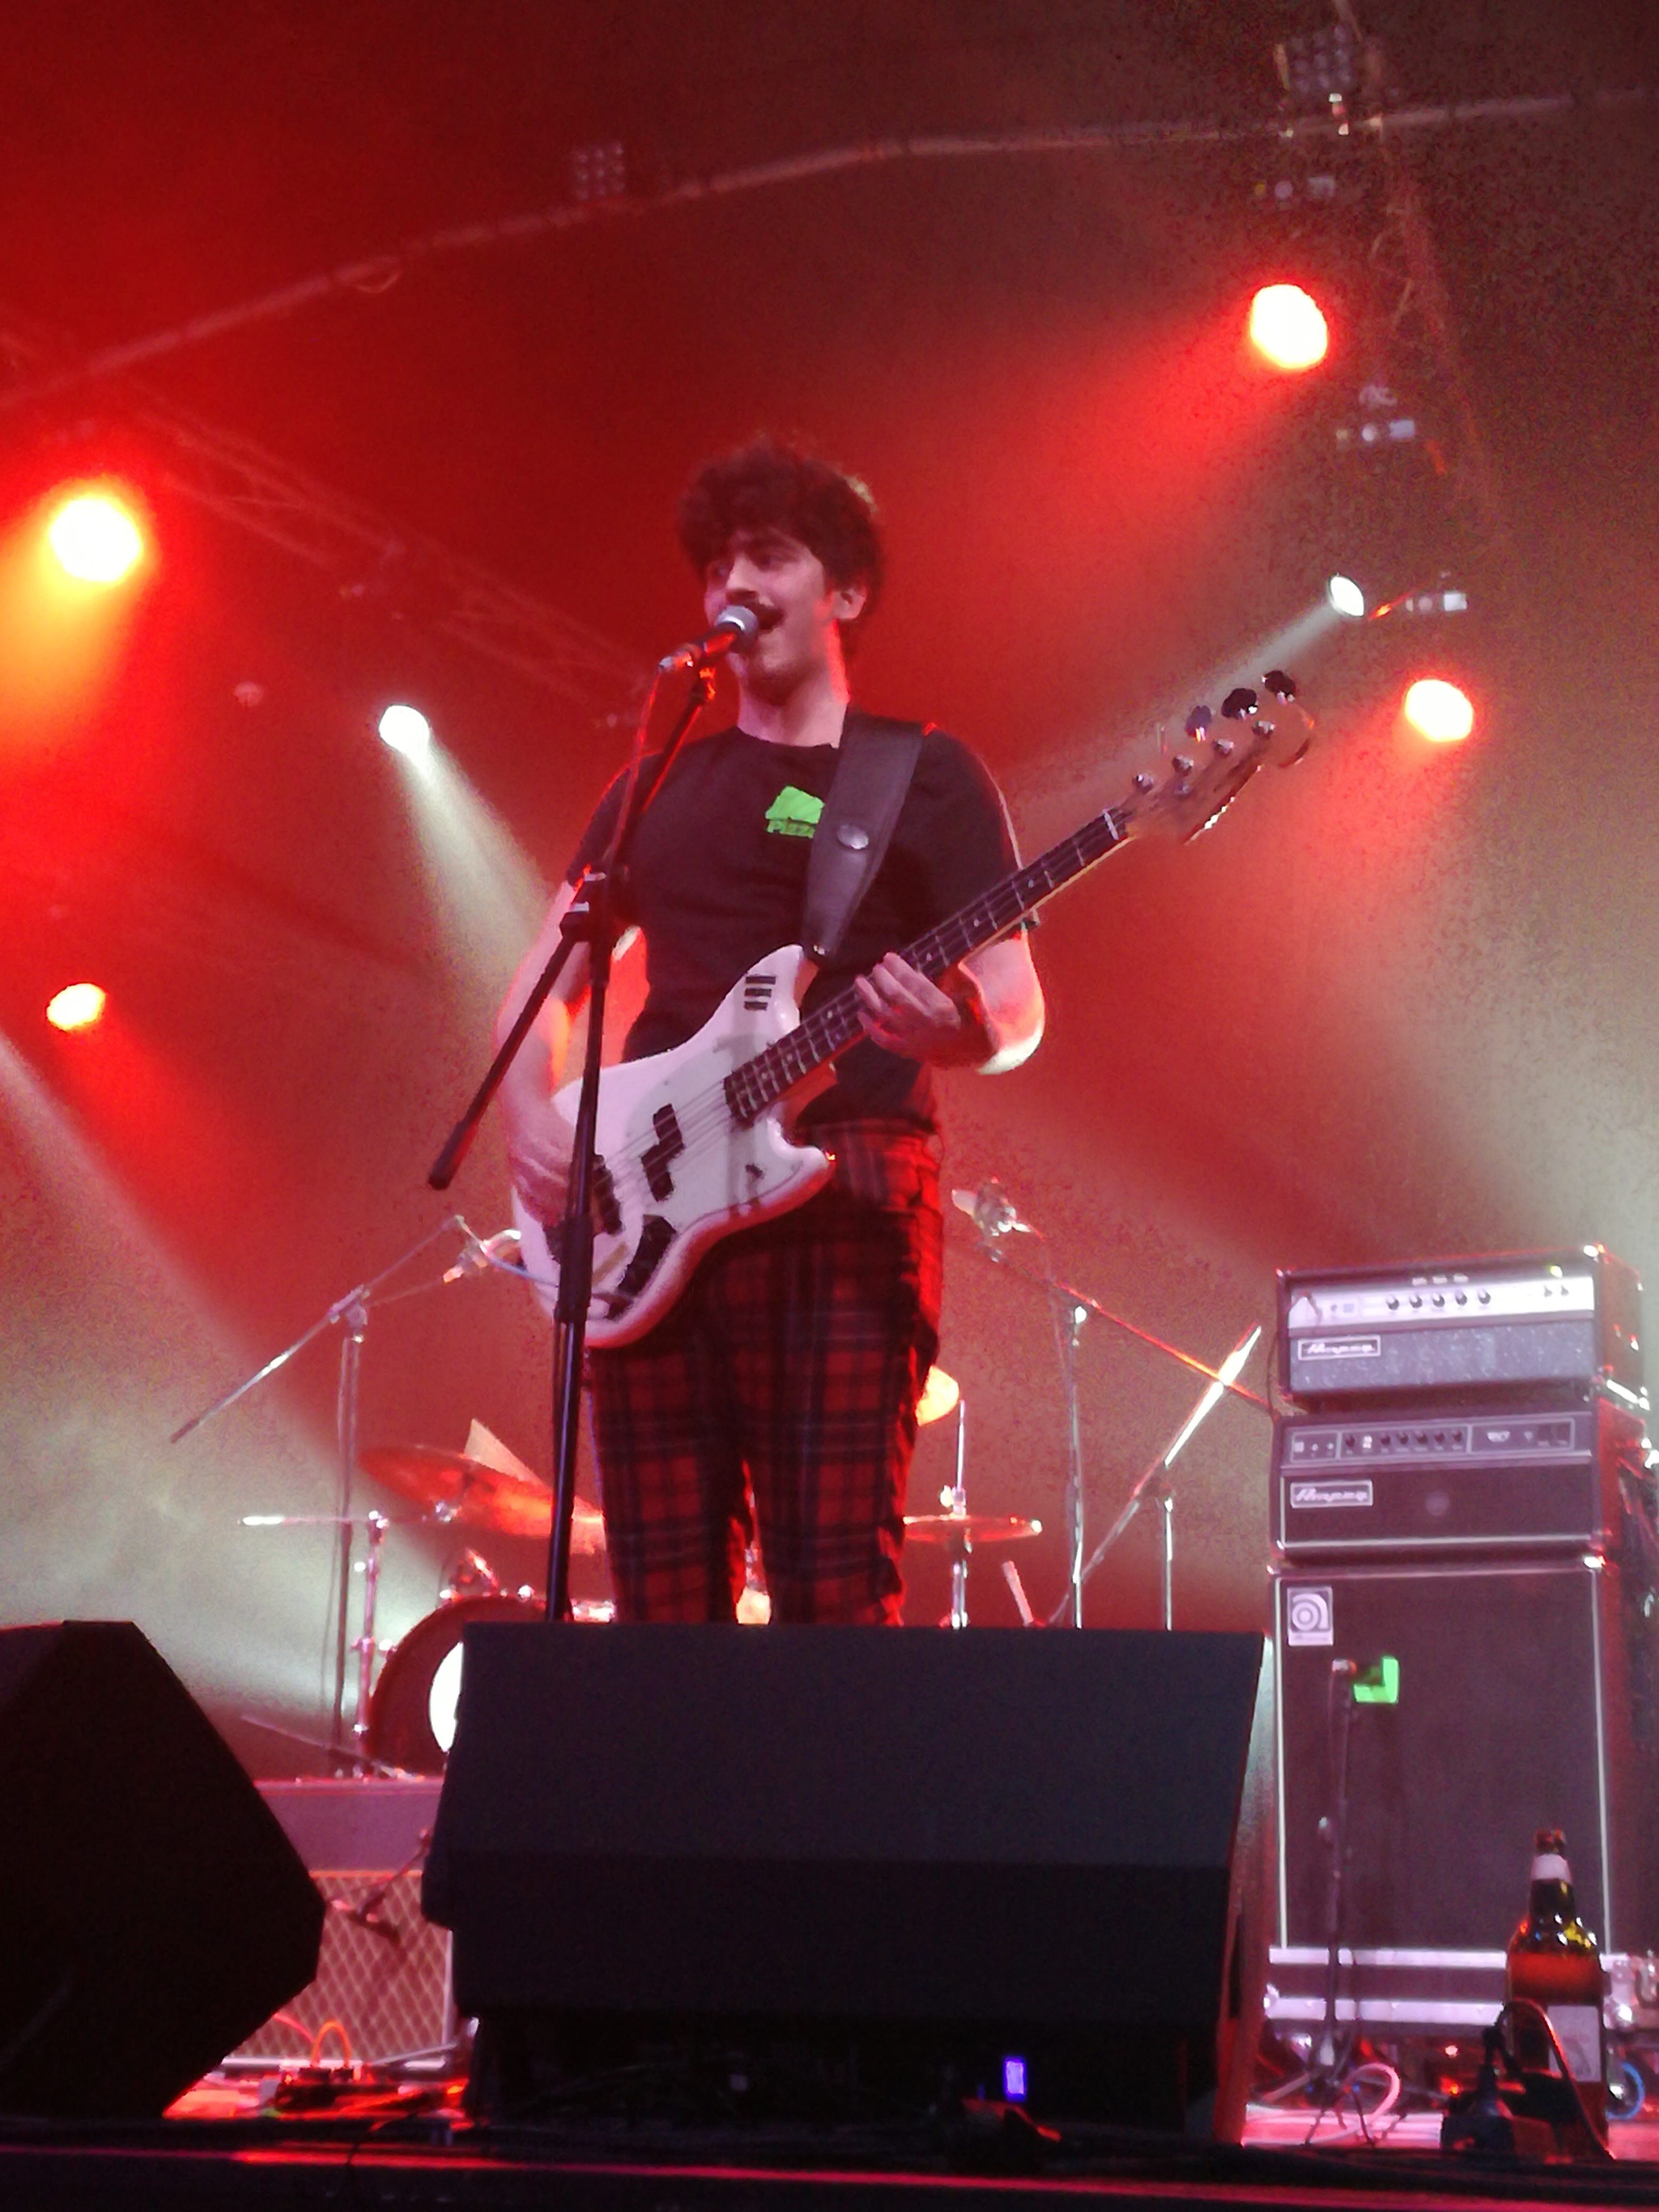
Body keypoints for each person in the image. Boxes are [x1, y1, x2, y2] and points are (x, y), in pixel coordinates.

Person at [496, 438, 1043, 1624]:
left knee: (832, 1601)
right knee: (662, 1610)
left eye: (770, 556)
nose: (734, 584)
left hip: (843, 1184)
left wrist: (956, 1035)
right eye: (717, 566)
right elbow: (545, 987)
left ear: (844, 591)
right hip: (648, 1195)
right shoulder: (653, 786)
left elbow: (1016, 1004)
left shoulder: (924, 775)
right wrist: (532, 1115)